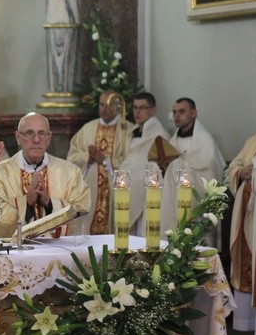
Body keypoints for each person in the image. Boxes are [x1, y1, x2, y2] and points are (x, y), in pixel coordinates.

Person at [0, 112, 90, 238]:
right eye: (29, 133)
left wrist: (50, 203)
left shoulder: (70, 172)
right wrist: (26, 202)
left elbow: (82, 210)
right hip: (15, 252)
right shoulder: (1, 173)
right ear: (18, 137)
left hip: (59, 251)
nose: (36, 140)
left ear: (49, 138)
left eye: (42, 133)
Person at [67, 90, 133, 234]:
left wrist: (105, 160)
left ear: (117, 106)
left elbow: (131, 162)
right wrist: (87, 158)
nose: (104, 109)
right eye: (101, 104)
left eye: (108, 105)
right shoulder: (88, 128)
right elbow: (72, 156)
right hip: (91, 188)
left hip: (113, 190)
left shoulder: (127, 129)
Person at [160, 98, 225, 243]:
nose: (177, 116)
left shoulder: (205, 140)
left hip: (196, 201)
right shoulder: (173, 141)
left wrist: (179, 165)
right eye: (174, 112)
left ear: (194, 113)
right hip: (176, 198)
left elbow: (210, 174)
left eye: (182, 111)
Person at [117, 92, 169, 236]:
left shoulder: (159, 134)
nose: (137, 112)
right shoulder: (132, 132)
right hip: (129, 190)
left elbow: (156, 167)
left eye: (142, 108)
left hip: (147, 195)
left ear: (153, 110)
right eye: (134, 108)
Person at [225, 133, 256, 335]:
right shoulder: (252, 140)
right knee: (246, 262)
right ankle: (246, 324)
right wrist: (241, 172)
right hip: (246, 214)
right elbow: (232, 167)